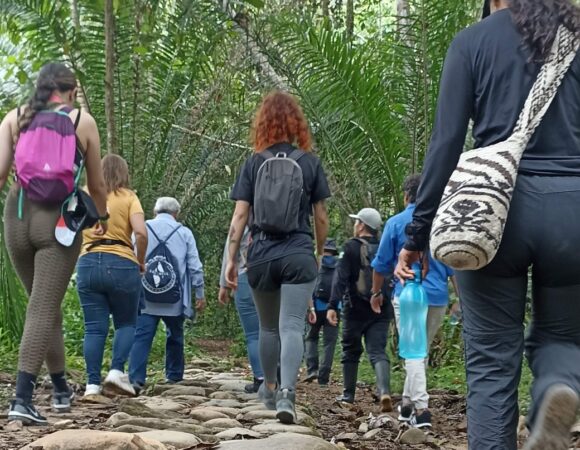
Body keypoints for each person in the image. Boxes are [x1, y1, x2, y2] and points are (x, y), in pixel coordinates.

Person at [395, 1, 580, 449]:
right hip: (573, 211)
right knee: (565, 337)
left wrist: (417, 235)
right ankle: (556, 387)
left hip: (491, 212)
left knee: (491, 363)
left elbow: (446, 144)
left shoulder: (473, 42)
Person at [0, 63, 108, 424]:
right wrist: (102, 219)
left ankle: (61, 386)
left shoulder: (15, 118)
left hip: (16, 215)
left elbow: (1, 174)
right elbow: (97, 183)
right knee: (43, 307)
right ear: (71, 90)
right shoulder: (83, 122)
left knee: (42, 304)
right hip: (58, 220)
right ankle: (22, 398)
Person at [225, 91, 330, 424]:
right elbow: (322, 216)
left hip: (261, 255)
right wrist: (317, 251)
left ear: (263, 124)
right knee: (293, 327)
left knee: (268, 329)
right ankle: (288, 393)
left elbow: (240, 217)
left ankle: (269, 387)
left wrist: (231, 259)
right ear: (297, 124)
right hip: (298, 252)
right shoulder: (310, 163)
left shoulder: (254, 162)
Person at [371, 174, 458, 429]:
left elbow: (380, 264)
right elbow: (455, 267)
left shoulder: (396, 223)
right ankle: (407, 405)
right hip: (438, 298)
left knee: (414, 352)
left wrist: (376, 293)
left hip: (409, 296)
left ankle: (421, 410)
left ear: (407, 196)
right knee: (419, 351)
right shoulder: (443, 223)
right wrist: (460, 301)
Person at [77, 154, 147, 398]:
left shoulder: (83, 194)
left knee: (94, 329)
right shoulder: (128, 197)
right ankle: (116, 371)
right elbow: (141, 233)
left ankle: (92, 385)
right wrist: (140, 262)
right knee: (126, 322)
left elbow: (68, 230)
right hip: (122, 263)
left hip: (87, 263)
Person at [129, 197, 206, 393]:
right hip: (175, 297)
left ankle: (136, 379)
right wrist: (199, 293)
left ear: (155, 211)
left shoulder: (142, 228)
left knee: (142, 336)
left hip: (146, 295)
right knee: (176, 335)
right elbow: (194, 265)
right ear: (176, 214)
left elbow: (130, 256)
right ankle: (174, 376)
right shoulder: (184, 233)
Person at [327, 208, 394, 413]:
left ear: (362, 225)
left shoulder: (350, 247)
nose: (355, 225)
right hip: (381, 308)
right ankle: (384, 391)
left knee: (350, 351)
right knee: (377, 351)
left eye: (357, 222)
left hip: (354, 308)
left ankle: (348, 395)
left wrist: (332, 306)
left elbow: (341, 278)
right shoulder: (385, 246)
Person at [219, 227, 264, 393]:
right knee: (276, 330)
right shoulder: (281, 215)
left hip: (245, 276)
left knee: (253, 335)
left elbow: (229, 250)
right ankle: (279, 379)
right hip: (274, 277)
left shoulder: (242, 221)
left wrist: (224, 284)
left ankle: (260, 379)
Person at [303, 238, 340, 387]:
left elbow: (308, 284)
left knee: (311, 337)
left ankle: (312, 369)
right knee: (329, 343)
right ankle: (323, 378)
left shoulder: (315, 262)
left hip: (316, 306)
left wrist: (309, 306)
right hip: (335, 308)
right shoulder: (340, 265)